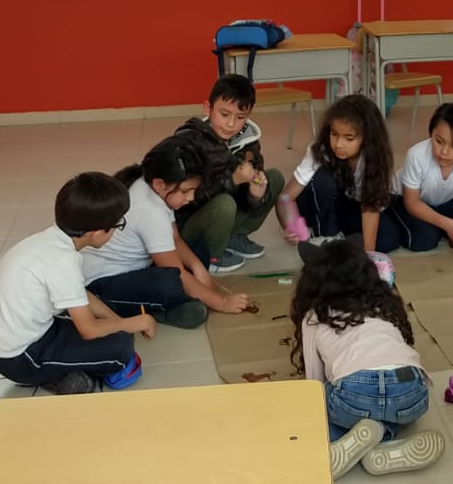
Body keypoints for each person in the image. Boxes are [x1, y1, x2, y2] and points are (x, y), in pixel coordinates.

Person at [0, 171, 155, 395]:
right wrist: (133, 323)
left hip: (20, 341)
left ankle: (69, 370)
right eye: (119, 225)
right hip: (21, 358)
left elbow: (80, 294)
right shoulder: (63, 261)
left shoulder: (48, 241)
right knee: (120, 348)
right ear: (98, 233)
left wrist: (118, 321)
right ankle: (56, 378)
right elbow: (89, 330)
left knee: (109, 319)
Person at [288, 239, 447, 478]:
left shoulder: (314, 316)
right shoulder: (384, 305)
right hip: (411, 391)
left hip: (354, 390)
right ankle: (383, 439)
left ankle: (342, 439)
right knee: (389, 410)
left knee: (317, 411)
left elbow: (314, 382)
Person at [85, 134, 251, 326]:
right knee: (170, 283)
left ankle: (179, 302)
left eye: (194, 190)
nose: (191, 197)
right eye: (186, 191)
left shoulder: (152, 184)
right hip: (102, 285)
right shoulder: (151, 210)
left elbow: (174, 237)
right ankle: (151, 311)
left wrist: (198, 268)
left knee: (198, 250)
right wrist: (221, 302)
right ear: (160, 184)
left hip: (138, 267)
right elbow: (175, 271)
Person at [174, 73, 284, 274]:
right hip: (190, 223)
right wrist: (232, 180)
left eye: (240, 117)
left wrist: (255, 195)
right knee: (225, 203)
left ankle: (232, 238)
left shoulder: (249, 141)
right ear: (208, 108)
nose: (231, 124)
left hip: (225, 212)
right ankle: (211, 254)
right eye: (224, 114)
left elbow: (250, 187)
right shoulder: (190, 141)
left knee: (274, 178)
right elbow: (185, 198)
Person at [280, 94, 396, 252]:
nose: (339, 144)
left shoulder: (374, 158)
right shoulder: (320, 150)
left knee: (388, 239)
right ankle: (322, 236)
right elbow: (286, 196)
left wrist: (368, 254)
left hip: (347, 204)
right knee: (324, 181)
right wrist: (289, 224)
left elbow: (370, 207)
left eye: (349, 138)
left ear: (368, 138)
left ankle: (338, 239)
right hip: (319, 202)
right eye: (334, 134)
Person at [384, 102, 453, 251]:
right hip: (405, 199)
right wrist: (448, 225)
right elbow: (412, 203)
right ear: (431, 133)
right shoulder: (416, 156)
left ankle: (440, 226)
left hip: (444, 200)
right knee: (424, 240)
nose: (444, 152)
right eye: (439, 141)